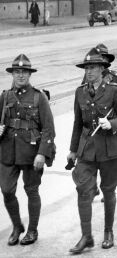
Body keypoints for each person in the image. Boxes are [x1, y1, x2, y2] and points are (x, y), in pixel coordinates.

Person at [67, 48, 117, 254]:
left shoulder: (113, 90)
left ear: (103, 69)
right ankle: (86, 236)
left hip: (109, 149)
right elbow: (78, 123)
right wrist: (73, 150)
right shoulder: (80, 91)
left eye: (93, 67)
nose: (89, 71)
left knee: (109, 189)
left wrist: (110, 124)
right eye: (87, 68)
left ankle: (108, 232)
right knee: (83, 190)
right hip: (87, 149)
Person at [0, 54, 55, 245]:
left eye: (24, 72)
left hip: (31, 153)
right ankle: (17, 226)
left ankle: (32, 230)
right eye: (17, 72)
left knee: (32, 190)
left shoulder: (39, 97)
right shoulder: (5, 96)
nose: (20, 75)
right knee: (6, 190)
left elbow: (48, 129)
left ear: (30, 74)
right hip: (7, 151)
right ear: (12, 74)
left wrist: (42, 153)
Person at [81, 43, 117, 203]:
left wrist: (116, 124)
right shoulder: (89, 76)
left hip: (111, 125)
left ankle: (108, 189)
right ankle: (93, 187)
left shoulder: (116, 78)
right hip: (94, 126)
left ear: (106, 61)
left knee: (109, 158)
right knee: (92, 155)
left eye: (103, 58)